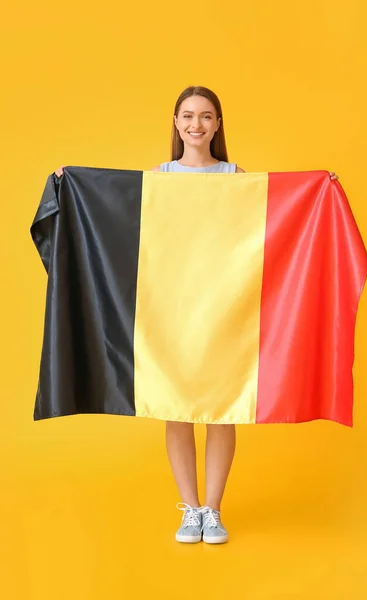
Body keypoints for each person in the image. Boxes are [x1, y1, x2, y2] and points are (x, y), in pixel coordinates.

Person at [55, 85, 339, 545]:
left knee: (221, 407)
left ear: (218, 125)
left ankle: (213, 509)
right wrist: (75, 184)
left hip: (224, 308)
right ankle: (190, 508)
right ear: (175, 122)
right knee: (178, 407)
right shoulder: (158, 178)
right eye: (188, 116)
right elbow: (121, 220)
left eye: (206, 116)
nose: (196, 124)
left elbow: (265, 228)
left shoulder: (235, 176)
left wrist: (319, 188)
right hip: (171, 310)